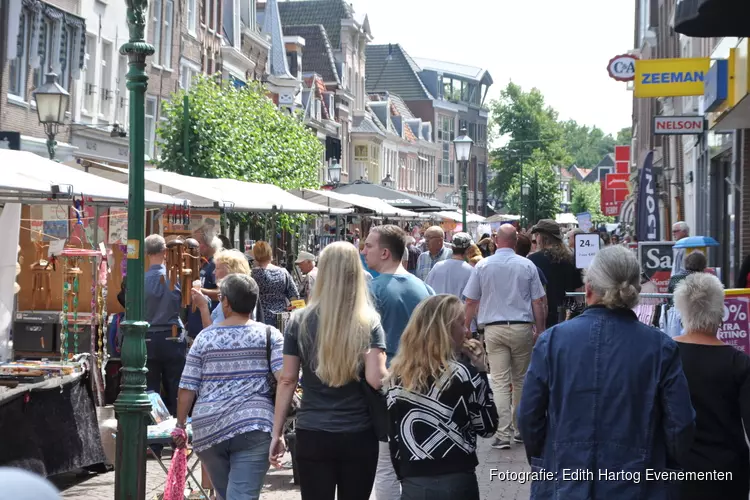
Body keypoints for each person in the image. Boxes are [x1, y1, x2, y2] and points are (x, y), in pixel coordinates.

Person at [518, 246, 695, 499]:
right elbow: (681, 424)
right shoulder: (660, 348)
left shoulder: (552, 341)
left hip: (565, 482)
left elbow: (528, 417)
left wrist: (546, 460)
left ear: (588, 288)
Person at [269, 242, 388, 500]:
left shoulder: (299, 321)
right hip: (358, 432)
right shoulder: (369, 321)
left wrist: (277, 433)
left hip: (313, 431)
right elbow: (376, 379)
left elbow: (287, 380)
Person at [175, 274, 282, 500]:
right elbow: (286, 379)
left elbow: (187, 386)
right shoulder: (269, 335)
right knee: (241, 495)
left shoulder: (205, 338)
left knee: (228, 495)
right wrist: (279, 428)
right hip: (254, 425)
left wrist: (180, 424)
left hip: (209, 429)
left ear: (226, 302)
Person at [386, 295, 498, 500]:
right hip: (456, 477)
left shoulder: (395, 378)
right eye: (460, 324)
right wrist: (481, 370)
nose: (466, 331)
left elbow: (393, 437)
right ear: (445, 330)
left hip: (414, 481)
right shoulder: (462, 375)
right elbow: (488, 427)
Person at [362, 224, 434, 499]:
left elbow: (363, 342)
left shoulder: (373, 290)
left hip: (385, 380)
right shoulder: (425, 288)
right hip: (422, 380)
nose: (364, 250)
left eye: (368, 245)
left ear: (384, 253)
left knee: (385, 462)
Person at [463, 225, 546, 450]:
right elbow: (538, 301)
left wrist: (464, 325)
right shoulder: (527, 265)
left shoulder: (483, 265)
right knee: (520, 380)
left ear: (497, 240)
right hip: (521, 328)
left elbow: (471, 300)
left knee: (499, 381)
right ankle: (519, 430)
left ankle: (502, 433)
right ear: (516, 239)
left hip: (494, 329)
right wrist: (540, 329)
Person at [673, 273, 750, 500]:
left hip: (679, 472)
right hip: (727, 473)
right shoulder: (739, 362)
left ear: (681, 312)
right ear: (720, 313)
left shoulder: (665, 356)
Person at [143, 234, 187, 416]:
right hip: (173, 337)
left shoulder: (139, 280)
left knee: (151, 389)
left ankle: (155, 440)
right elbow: (186, 305)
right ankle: (178, 431)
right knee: (176, 386)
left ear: (146, 253)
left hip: (148, 338)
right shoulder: (176, 278)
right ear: (164, 252)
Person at [529, 219, 583, 328]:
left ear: (543, 237)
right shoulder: (571, 258)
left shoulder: (533, 260)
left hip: (542, 314)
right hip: (567, 313)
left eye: (538, 234)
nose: (536, 238)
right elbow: (579, 291)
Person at [192, 249, 263, 328]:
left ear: (230, 270)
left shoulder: (232, 299)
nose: (213, 272)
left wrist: (203, 306)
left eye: (217, 268)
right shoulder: (244, 293)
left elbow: (214, 333)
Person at [251, 241, 299, 326]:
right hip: (282, 318)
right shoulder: (283, 273)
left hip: (260, 317)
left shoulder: (253, 275)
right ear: (270, 255)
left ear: (255, 255)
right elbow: (294, 296)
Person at [186, 230, 223, 339]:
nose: (195, 246)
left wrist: (199, 290)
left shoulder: (216, 264)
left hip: (207, 325)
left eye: (198, 242)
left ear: (209, 244)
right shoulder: (204, 263)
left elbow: (221, 293)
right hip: (196, 324)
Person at [425, 232, 474, 297]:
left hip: (437, 306)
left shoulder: (438, 266)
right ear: (468, 249)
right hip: (458, 306)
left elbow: (426, 289)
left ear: (452, 247)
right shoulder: (470, 271)